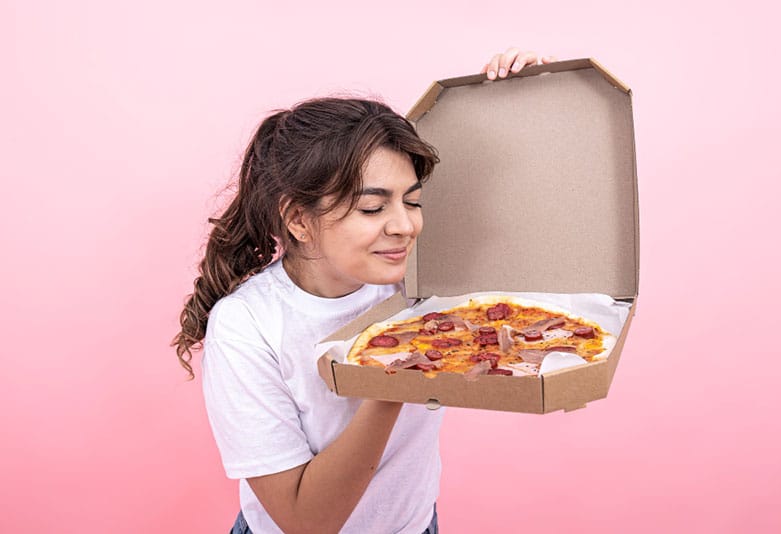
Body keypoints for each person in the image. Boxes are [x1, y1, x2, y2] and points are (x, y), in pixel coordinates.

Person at [173, 48, 554, 534]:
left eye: (412, 201)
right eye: (372, 209)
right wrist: (387, 383)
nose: (405, 226)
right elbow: (305, 521)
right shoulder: (247, 326)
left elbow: (534, 246)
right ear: (298, 220)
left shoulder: (421, 282)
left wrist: (540, 100)